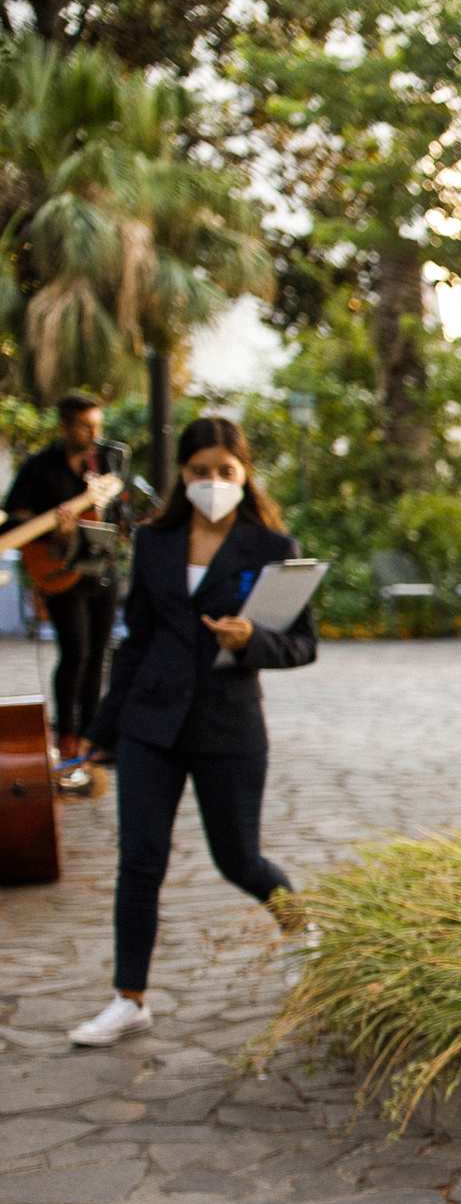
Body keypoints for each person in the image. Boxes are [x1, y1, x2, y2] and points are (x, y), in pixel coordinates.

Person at [70, 418, 313, 1047]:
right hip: (150, 724)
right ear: (182, 474)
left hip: (227, 724)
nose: (212, 482)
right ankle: (129, 998)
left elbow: (302, 644)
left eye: (224, 471)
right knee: (139, 863)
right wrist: (100, 733)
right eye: (199, 471)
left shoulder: (272, 548)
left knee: (239, 859)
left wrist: (253, 639)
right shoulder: (154, 543)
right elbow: (136, 642)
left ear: (244, 473)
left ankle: (299, 930)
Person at [4, 393, 125, 781]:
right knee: (76, 652)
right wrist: (54, 526)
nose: (94, 433)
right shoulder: (39, 468)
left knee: (99, 655)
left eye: (98, 425)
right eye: (86, 426)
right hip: (59, 571)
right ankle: (67, 734)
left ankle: (92, 736)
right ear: (65, 426)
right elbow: (12, 525)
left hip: (100, 569)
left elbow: (119, 516)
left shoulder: (103, 465)